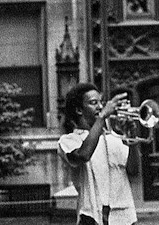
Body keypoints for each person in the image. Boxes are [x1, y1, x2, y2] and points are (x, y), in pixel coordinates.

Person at [58, 83, 140, 225]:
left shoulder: (114, 138)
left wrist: (131, 138)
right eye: (93, 103)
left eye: (101, 103)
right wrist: (102, 118)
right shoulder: (69, 140)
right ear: (79, 110)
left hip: (123, 216)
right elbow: (83, 155)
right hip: (92, 216)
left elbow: (133, 171)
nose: (101, 107)